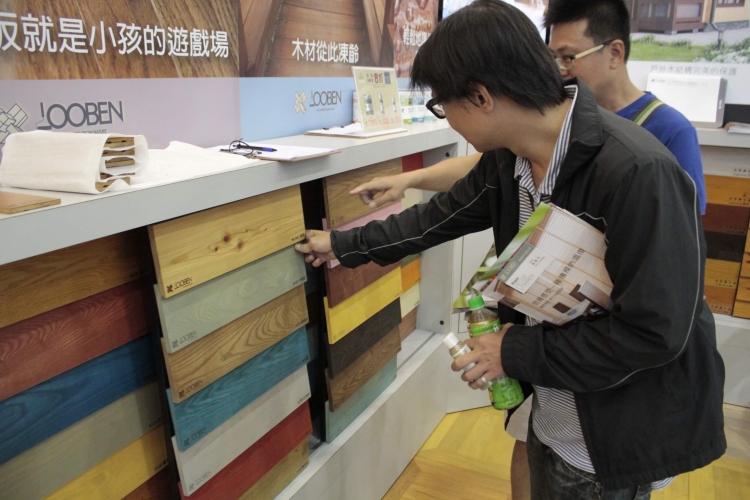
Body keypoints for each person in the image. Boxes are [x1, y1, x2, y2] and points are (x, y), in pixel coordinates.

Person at [295, 1, 725, 498]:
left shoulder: (636, 172)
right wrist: (341, 245)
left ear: (481, 97)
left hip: (612, 434)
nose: (447, 120)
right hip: (553, 403)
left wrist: (512, 351)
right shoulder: (509, 161)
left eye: (443, 106)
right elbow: (437, 218)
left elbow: (655, 332)